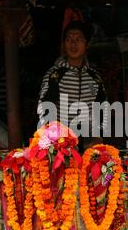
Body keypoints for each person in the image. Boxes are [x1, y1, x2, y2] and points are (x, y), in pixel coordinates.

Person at [37, 20, 108, 149]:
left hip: (89, 140)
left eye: (78, 39)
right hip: (61, 142)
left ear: (87, 44)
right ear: (64, 44)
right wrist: (53, 136)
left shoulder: (94, 77)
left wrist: (98, 136)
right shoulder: (54, 75)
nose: (73, 44)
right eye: (69, 39)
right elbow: (44, 106)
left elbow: (102, 107)